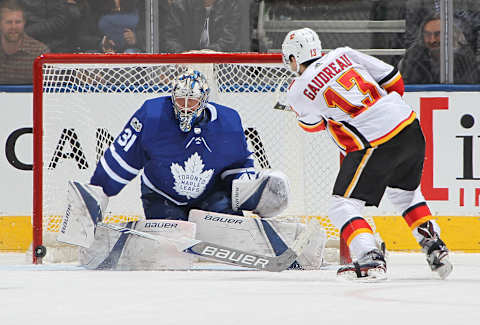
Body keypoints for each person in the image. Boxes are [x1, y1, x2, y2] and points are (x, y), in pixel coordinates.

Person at [60, 68, 325, 270]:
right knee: (173, 243)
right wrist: (95, 195)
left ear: (204, 101)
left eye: (192, 102)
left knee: (231, 221)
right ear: (172, 97)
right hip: (162, 196)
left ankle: (242, 236)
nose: (185, 108)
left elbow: (239, 167)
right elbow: (121, 159)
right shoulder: (151, 115)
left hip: (212, 197)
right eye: (180, 101)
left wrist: (254, 195)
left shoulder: (229, 122)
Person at [281, 27, 453, 280]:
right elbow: (396, 82)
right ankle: (435, 247)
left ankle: (370, 258)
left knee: (342, 205)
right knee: (404, 193)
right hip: (409, 125)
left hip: (374, 140)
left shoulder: (297, 90)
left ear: (294, 59)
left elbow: (312, 126)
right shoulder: (344, 53)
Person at [400, 14, 479, 84]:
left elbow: (470, 88)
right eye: (427, 34)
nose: (432, 40)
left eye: (438, 34)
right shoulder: (413, 56)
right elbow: (408, 85)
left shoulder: (465, 58)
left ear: (451, 34)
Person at [162, 0, 241, 53]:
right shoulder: (180, 5)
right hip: (184, 66)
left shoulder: (231, 5)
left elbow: (230, 40)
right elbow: (169, 38)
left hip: (221, 67)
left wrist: (203, 55)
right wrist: (184, 55)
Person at [0, 0, 49, 84]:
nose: (13, 27)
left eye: (18, 22)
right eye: (9, 22)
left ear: (24, 23)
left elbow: (48, 90)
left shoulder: (39, 53)